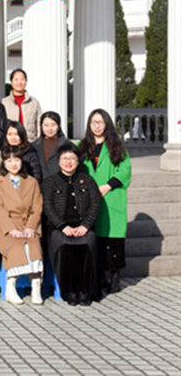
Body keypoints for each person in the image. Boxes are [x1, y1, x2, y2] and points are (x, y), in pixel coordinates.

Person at [79, 109, 132, 296]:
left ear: (107, 124)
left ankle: (114, 280)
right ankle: (99, 279)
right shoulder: (82, 146)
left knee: (112, 241)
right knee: (97, 241)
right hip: (90, 198)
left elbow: (125, 170)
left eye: (100, 122)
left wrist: (108, 186)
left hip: (111, 197)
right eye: (94, 122)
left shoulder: (116, 146)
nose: (97, 126)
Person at [42, 143, 101, 306]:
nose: (68, 162)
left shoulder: (88, 180)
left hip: (83, 226)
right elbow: (47, 206)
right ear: (59, 161)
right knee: (63, 246)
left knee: (88, 245)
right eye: (64, 158)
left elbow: (95, 204)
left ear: (78, 161)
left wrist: (85, 226)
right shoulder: (50, 181)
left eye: (72, 158)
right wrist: (63, 226)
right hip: (59, 228)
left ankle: (85, 290)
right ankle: (70, 290)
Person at [0, 146, 44, 305]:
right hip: (6, 225)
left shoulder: (32, 182)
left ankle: (36, 286)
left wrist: (30, 227)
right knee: (16, 246)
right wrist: (11, 229)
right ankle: (10, 286)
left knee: (34, 245)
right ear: (3, 162)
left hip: (28, 224)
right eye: (9, 160)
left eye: (16, 160)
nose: (13, 164)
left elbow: (37, 207)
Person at [1, 69, 43, 142]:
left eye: (22, 79)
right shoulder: (4, 102)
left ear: (26, 81)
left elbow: (39, 123)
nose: (19, 82)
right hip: (11, 142)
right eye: (16, 79)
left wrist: (38, 141)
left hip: (30, 142)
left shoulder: (34, 102)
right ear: (11, 82)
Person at [30, 111, 71, 181]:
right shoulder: (33, 146)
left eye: (53, 125)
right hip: (40, 185)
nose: (50, 128)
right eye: (46, 125)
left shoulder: (68, 146)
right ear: (41, 126)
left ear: (58, 126)